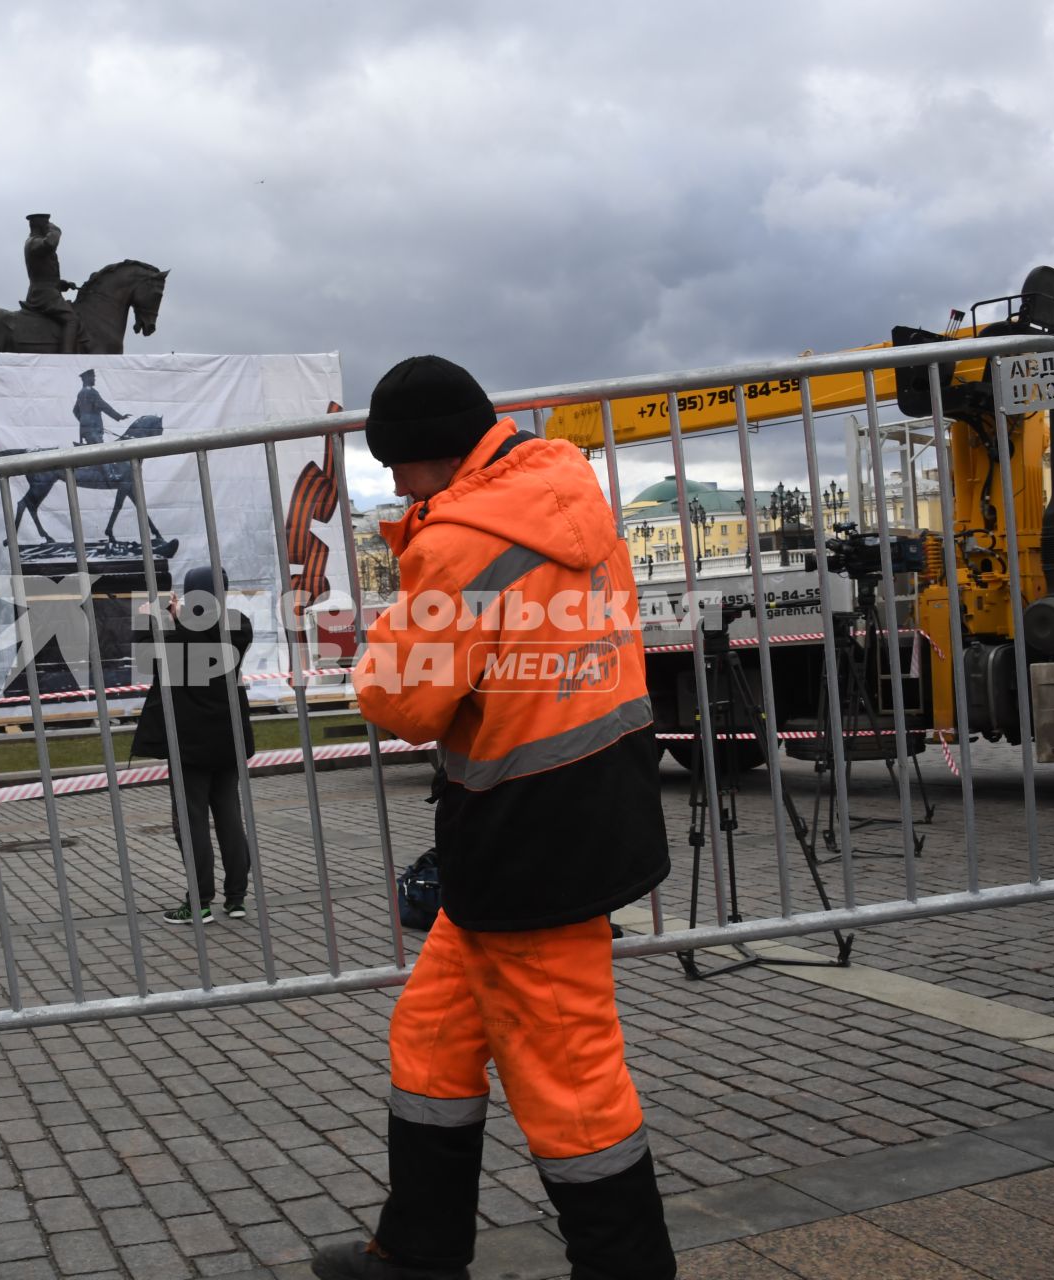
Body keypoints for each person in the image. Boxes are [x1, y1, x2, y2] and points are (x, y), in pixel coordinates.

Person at [314, 356, 674, 1280]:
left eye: (396, 465)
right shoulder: (564, 491)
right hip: (579, 809)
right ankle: (420, 1252)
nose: (392, 484)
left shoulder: (460, 541)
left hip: (529, 840)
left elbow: (404, 704)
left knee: (570, 1083)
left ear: (436, 452)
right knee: (431, 1033)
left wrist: (376, 641)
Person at [134, 566, 255, 924]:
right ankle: (236, 898)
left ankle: (199, 900)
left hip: (189, 745)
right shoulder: (239, 627)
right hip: (228, 740)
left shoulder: (175, 638)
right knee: (230, 817)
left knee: (192, 822)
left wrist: (152, 618)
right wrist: (179, 617)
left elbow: (147, 658)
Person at [23, 213, 80, 354]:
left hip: (48, 290)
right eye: (47, 223)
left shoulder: (36, 243)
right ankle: (66, 357)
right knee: (71, 319)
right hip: (43, 294)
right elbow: (50, 243)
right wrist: (56, 231)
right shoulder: (33, 243)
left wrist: (63, 284)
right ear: (41, 225)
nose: (49, 225)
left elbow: (43, 276)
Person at [73, 368, 129, 445]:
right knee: (98, 451)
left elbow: (75, 411)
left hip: (85, 428)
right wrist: (119, 416)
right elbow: (104, 406)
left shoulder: (80, 393)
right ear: (87, 378)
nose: (94, 379)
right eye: (93, 377)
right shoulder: (92, 392)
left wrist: (84, 420)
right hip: (94, 428)